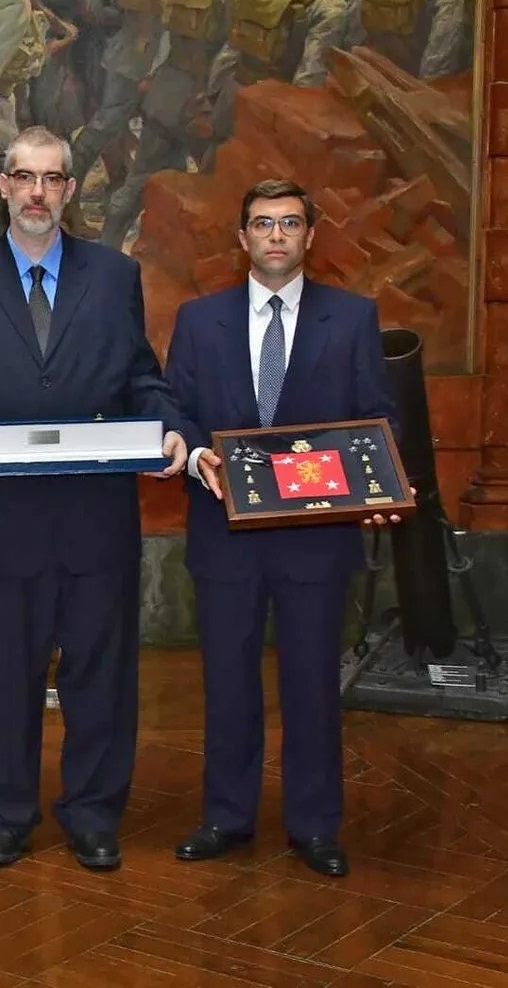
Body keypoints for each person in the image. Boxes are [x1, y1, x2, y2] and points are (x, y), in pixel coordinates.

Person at [0, 126, 188, 873]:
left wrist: (173, 430)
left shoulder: (114, 275)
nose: (37, 192)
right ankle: (5, 816)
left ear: (69, 190)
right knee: (4, 677)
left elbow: (143, 378)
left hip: (97, 519)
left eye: (51, 179)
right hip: (4, 522)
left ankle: (93, 816)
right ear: (2, 187)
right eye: (24, 178)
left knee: (101, 678)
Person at [163, 179, 401, 878]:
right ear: (242, 238)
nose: (276, 235)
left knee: (313, 686)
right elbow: (174, 412)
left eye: (290, 223)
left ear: (309, 236)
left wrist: (381, 485)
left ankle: (315, 825)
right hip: (224, 533)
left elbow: (378, 416)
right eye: (263, 224)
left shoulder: (351, 318)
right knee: (227, 683)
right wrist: (195, 455)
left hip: (316, 541)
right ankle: (226, 817)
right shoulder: (198, 320)